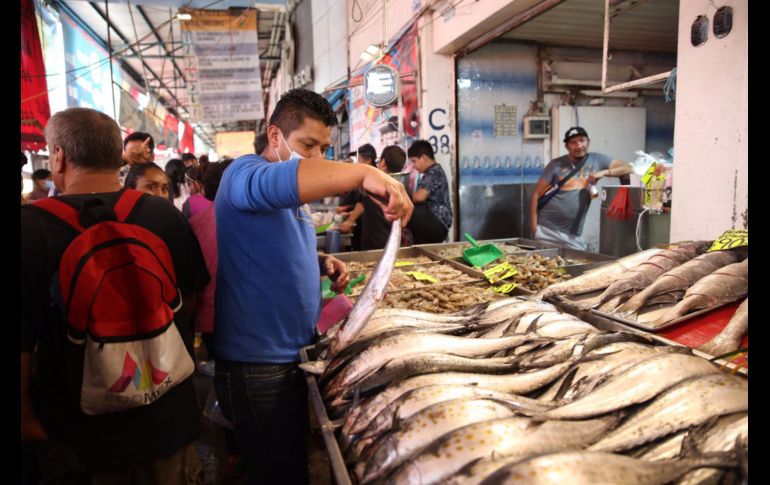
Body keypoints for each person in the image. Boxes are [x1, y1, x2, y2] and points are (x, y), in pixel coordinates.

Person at [214, 88, 412, 484]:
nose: (317, 157)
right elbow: (287, 179)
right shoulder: (243, 174)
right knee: (280, 472)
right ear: (275, 137)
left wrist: (319, 263)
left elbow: (271, 244)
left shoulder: (291, 198)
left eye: (324, 147)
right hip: (259, 366)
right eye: (308, 145)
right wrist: (366, 172)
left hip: (293, 353)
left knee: (294, 459)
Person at [21, 107, 210, 483]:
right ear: (115, 155)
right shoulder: (165, 216)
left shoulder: (29, 229)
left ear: (58, 156)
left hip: (77, 439)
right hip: (167, 422)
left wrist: (25, 420)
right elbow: (189, 303)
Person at [528, 126, 633, 251]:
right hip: (546, 230)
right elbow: (536, 194)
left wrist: (603, 172)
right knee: (544, 268)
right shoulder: (555, 164)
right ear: (567, 146)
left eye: (582, 140)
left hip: (572, 234)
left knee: (578, 265)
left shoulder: (598, 160)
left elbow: (629, 168)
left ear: (588, 141)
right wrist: (534, 228)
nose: (579, 145)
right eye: (573, 142)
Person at [189, 159, 233, 377]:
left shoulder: (195, 223)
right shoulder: (255, 219)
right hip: (247, 315)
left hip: (208, 315)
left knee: (221, 365)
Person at [356, 145, 408, 250]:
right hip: (395, 245)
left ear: (383, 162)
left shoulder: (373, 186)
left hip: (373, 245)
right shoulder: (404, 189)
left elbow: (361, 203)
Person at [406, 140, 452, 244]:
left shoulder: (434, 171)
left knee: (404, 211)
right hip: (432, 220)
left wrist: (402, 198)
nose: (413, 165)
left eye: (414, 161)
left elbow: (419, 197)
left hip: (438, 222)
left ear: (424, 158)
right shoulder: (430, 172)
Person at [338, 143, 377, 250]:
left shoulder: (372, 177)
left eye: (358, 159)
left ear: (368, 160)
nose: (357, 163)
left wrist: (350, 220)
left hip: (371, 231)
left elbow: (363, 202)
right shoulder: (363, 176)